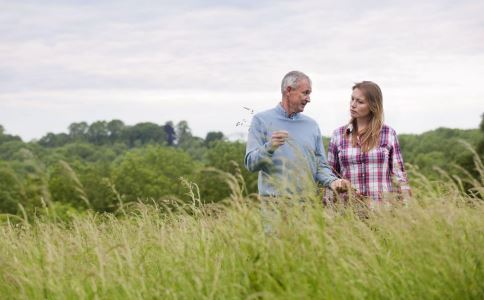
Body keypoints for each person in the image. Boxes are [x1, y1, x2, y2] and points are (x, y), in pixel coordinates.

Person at [244, 71, 349, 198]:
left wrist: (333, 181)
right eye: (305, 93)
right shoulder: (261, 120)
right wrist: (270, 147)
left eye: (309, 94)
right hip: (273, 206)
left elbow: (320, 165)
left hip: (308, 206)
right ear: (288, 90)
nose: (309, 99)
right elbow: (250, 164)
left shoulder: (312, 125)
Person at [326, 81, 411, 205]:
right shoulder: (338, 135)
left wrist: (408, 209)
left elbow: (399, 177)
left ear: (372, 105)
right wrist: (328, 210)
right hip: (348, 212)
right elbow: (331, 176)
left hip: (383, 212)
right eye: (352, 99)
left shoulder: (388, 134)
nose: (353, 105)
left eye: (360, 102)